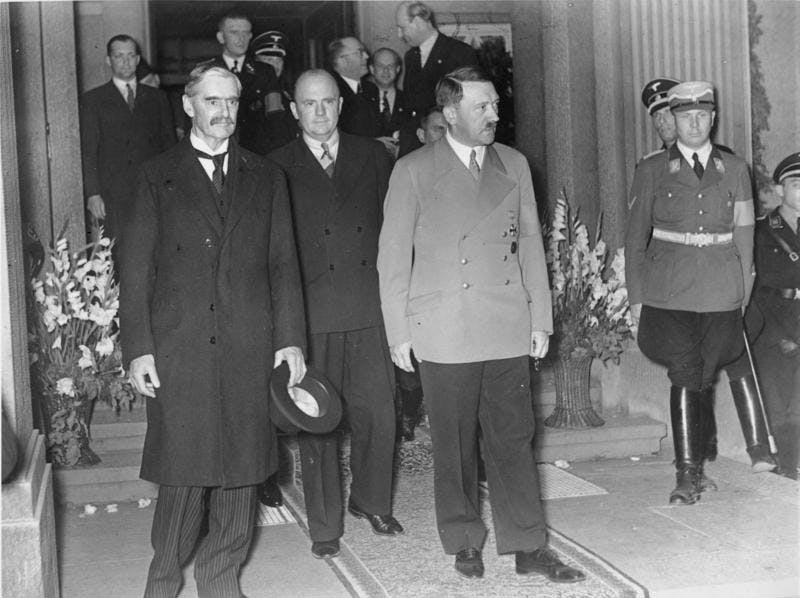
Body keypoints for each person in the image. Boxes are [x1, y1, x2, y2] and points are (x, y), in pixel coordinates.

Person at [378, 66, 585, 583]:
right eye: (483, 107)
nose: (495, 114)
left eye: (495, 105)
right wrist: (398, 331)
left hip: (504, 322)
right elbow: (391, 258)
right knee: (453, 443)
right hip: (443, 326)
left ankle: (528, 545)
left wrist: (541, 316)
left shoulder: (513, 164)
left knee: (514, 438)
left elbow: (534, 245)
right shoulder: (412, 170)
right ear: (450, 114)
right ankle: (464, 538)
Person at [119, 63, 307, 597]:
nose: (223, 112)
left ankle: (221, 584)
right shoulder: (156, 174)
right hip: (180, 349)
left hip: (249, 345)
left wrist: (290, 339)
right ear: (189, 105)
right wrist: (139, 349)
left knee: (242, 473)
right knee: (184, 473)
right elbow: (135, 271)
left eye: (231, 101)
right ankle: (161, 584)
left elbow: (283, 266)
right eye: (211, 101)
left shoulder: (267, 176)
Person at [268, 70, 403, 560]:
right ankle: (324, 524)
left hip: (369, 307)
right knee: (316, 422)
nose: (320, 112)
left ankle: (372, 501)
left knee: (379, 413)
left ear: (341, 106)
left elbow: (393, 231)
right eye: (309, 104)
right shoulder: (275, 166)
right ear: (294, 110)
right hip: (309, 315)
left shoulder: (374, 155)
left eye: (328, 102)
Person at [625, 81, 773, 508]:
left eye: (702, 115)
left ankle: (698, 467)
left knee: (704, 373)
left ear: (713, 117)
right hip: (669, 292)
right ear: (673, 118)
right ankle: (687, 474)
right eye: (685, 115)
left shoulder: (735, 168)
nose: (694, 123)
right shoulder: (652, 169)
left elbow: (745, 236)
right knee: (688, 372)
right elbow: (636, 239)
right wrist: (637, 299)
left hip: (720, 292)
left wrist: (740, 293)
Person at [80, 34, 176, 254]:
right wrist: (92, 193)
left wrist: (170, 188)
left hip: (152, 191)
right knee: (117, 253)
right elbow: (89, 150)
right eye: (119, 56)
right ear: (108, 60)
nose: (126, 61)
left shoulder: (158, 98)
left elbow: (169, 147)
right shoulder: (93, 100)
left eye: (131, 55)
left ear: (138, 59)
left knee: (155, 251)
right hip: (113, 194)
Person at [750, 152, 800, 479]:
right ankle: (788, 467)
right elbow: (761, 287)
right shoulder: (762, 231)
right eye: (797, 184)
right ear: (780, 190)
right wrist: (785, 334)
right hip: (774, 323)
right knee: (778, 398)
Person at [395, 1, 478, 157]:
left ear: (418, 22)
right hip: (415, 146)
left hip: (446, 146)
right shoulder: (411, 57)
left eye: (402, 28)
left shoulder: (459, 53)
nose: (399, 34)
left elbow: (468, 105)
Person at [204, 12, 285, 155]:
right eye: (234, 32)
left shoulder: (265, 72)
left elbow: (275, 118)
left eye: (245, 33)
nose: (241, 39)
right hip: (216, 151)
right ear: (221, 37)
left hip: (258, 152)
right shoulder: (206, 71)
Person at [327, 37, 381, 139]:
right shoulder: (330, 90)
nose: (366, 56)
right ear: (342, 61)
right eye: (360, 53)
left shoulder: (371, 89)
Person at [251, 29, 297, 150]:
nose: (274, 66)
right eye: (269, 60)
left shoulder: (288, 93)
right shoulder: (247, 92)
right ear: (256, 62)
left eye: (278, 60)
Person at [369, 47, 408, 143]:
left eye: (390, 66)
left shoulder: (409, 99)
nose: (386, 70)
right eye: (380, 66)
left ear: (398, 69)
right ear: (372, 69)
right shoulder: (361, 100)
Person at [640, 77, 680, 153]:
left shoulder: (705, 158)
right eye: (656, 115)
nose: (661, 120)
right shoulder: (650, 164)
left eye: (667, 112)